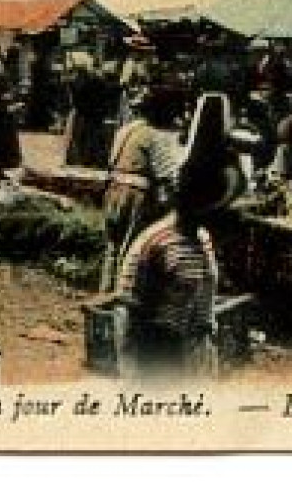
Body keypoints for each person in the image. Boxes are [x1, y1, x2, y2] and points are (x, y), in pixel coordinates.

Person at [116, 94, 245, 383]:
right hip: (159, 352)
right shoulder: (159, 244)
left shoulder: (201, 242)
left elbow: (203, 306)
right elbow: (130, 313)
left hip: (189, 352)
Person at [100, 88, 186, 292]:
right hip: (136, 195)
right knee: (132, 250)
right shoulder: (159, 136)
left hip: (113, 189)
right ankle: (121, 298)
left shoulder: (128, 129)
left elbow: (111, 159)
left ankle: (105, 293)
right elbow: (168, 175)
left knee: (112, 248)